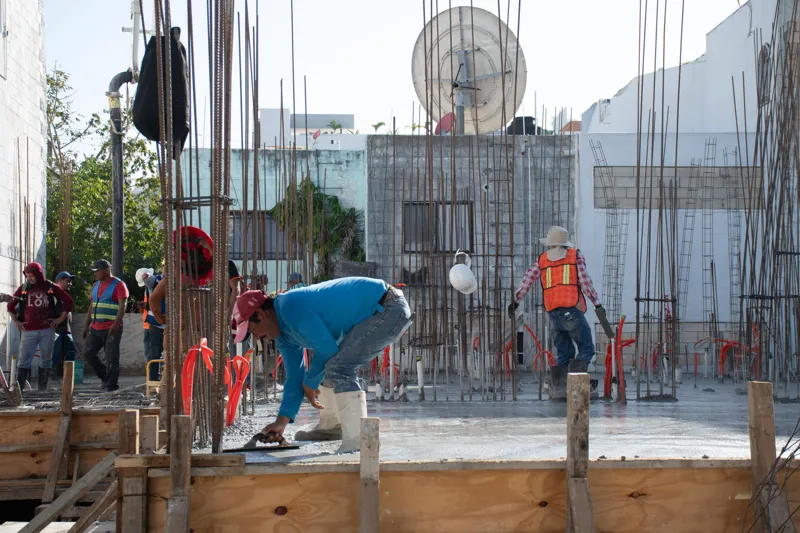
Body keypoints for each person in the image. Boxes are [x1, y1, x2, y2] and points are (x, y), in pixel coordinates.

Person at [232, 277, 413, 453]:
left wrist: (310, 383)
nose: (256, 337)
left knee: (337, 366)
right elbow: (295, 377)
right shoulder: (283, 336)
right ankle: (332, 425)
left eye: (251, 330)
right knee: (326, 366)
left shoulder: (289, 307)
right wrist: (281, 422)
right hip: (380, 310)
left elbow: (327, 348)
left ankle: (359, 441)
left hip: (388, 307)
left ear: (260, 314)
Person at [509, 226, 604, 401]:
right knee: (586, 348)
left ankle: (559, 389)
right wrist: (597, 304)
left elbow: (527, 280)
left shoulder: (542, 260)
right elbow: (585, 282)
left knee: (564, 353)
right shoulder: (575, 256)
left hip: (553, 314)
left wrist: (516, 301)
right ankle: (575, 388)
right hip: (572, 313)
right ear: (565, 244)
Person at [7, 263, 74, 390]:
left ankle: (42, 389)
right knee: (24, 360)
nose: (30, 279)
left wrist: (60, 318)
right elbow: (11, 305)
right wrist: (15, 321)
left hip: (47, 329)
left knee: (46, 359)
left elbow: (68, 302)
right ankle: (19, 390)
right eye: (27, 276)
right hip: (28, 330)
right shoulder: (24, 288)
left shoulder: (50, 287)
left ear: (39, 274)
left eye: (32, 276)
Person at [83, 259, 129, 392]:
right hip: (96, 327)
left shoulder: (119, 285)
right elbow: (92, 306)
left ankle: (111, 386)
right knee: (88, 353)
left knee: (112, 358)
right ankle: (104, 377)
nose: (95, 274)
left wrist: (115, 325)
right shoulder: (95, 285)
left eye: (97, 271)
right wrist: (87, 325)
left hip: (111, 328)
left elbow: (122, 306)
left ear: (107, 271)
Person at [137, 267, 164, 381]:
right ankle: (154, 379)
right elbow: (150, 280)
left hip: (157, 323)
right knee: (155, 352)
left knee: (157, 352)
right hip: (155, 323)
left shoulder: (179, 280)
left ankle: (159, 377)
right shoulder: (155, 280)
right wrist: (147, 276)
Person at [52, 272, 77, 379]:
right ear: (59, 281)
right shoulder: (52, 295)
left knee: (71, 351)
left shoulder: (64, 296)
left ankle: (68, 377)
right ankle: (52, 377)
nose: (70, 284)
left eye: (70, 281)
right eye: (68, 281)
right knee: (55, 353)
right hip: (55, 330)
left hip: (66, 330)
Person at [135, 268, 155, 370]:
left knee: (152, 353)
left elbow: (154, 306)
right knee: (149, 353)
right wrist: (142, 307)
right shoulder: (148, 290)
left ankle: (153, 376)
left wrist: (144, 306)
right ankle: (150, 376)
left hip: (152, 325)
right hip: (148, 324)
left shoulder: (153, 288)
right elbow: (147, 309)